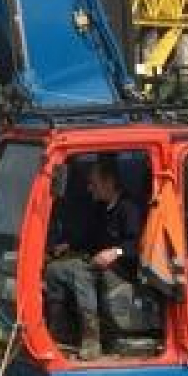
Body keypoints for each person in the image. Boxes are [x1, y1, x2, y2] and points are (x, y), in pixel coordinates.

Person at [45, 154, 145, 360]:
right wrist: (68, 245)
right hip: (97, 265)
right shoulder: (99, 208)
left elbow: (137, 246)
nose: (90, 188)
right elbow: (90, 240)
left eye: (93, 183)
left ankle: (92, 339)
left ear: (109, 182)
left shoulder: (130, 209)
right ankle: (60, 331)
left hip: (123, 269)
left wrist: (115, 253)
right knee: (55, 270)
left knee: (80, 273)